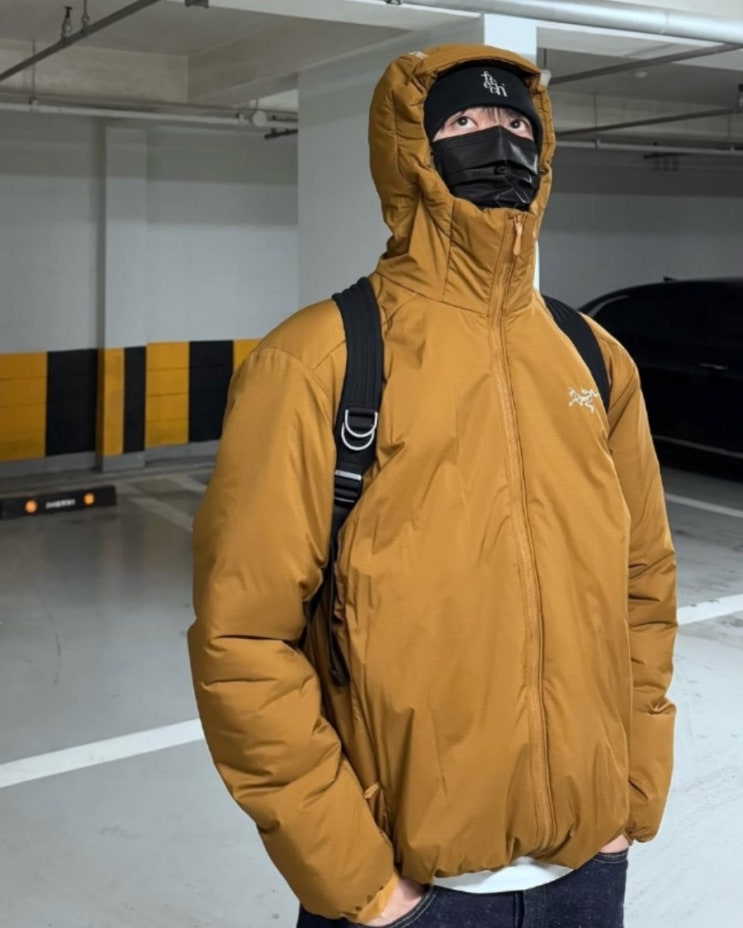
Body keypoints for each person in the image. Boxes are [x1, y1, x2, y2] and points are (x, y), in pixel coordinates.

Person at [188, 43, 677, 928]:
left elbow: (642, 587)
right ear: (409, 150)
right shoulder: (317, 360)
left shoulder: (594, 360)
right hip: (408, 892)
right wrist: (362, 884)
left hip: (585, 871)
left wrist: (630, 794)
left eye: (514, 123)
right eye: (463, 122)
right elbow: (243, 639)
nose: (497, 142)